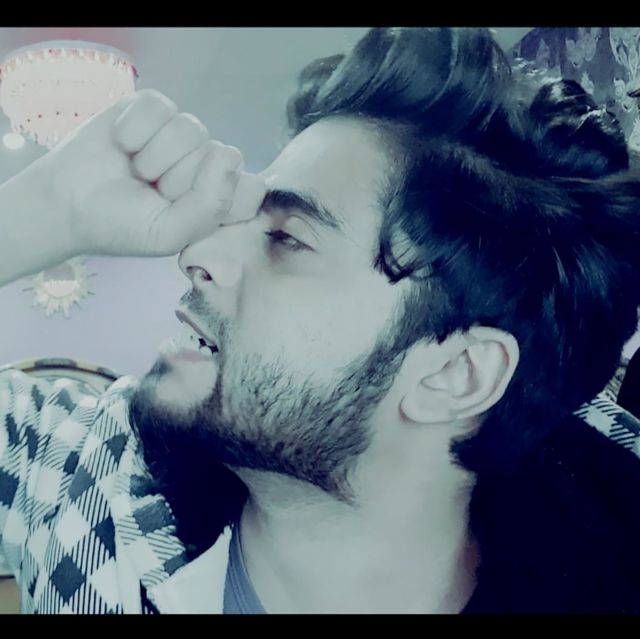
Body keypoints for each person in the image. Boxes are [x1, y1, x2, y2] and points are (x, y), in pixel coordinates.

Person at [1, 27, 640, 614]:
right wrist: (46, 210)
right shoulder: (82, 480)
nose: (197, 251)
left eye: (287, 238)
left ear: (457, 373)